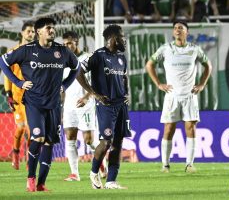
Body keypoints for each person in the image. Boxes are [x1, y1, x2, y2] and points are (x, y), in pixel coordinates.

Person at [0, 17, 80, 192]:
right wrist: (18, 83)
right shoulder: (27, 50)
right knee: (38, 137)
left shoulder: (62, 51)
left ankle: (41, 184)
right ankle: (30, 179)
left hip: (54, 104)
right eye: (48, 28)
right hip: (34, 103)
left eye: (53, 28)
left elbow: (77, 67)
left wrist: (64, 85)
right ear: (39, 32)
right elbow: (3, 62)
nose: (52, 30)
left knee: (50, 143)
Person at [145, 21, 212, 172]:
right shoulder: (165, 49)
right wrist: (158, 84)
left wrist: (202, 84)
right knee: (168, 129)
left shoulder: (194, 49)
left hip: (189, 95)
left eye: (180, 28)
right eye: (175, 28)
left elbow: (208, 65)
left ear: (187, 32)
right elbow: (149, 64)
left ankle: (189, 164)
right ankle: (165, 165)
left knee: (191, 128)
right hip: (172, 95)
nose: (177, 30)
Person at [77, 24, 131, 189]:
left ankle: (111, 181)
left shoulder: (122, 57)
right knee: (106, 142)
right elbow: (79, 72)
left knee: (118, 143)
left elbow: (123, 77)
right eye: (122, 36)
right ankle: (94, 172)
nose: (124, 40)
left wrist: (126, 93)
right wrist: (93, 93)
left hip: (121, 104)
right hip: (105, 105)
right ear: (113, 38)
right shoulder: (98, 55)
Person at [61, 31, 100, 181]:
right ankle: (74, 173)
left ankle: (101, 162)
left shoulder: (88, 58)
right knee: (70, 138)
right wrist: (62, 107)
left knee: (89, 140)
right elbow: (64, 86)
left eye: (69, 43)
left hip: (86, 104)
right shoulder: (63, 61)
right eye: (64, 44)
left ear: (76, 42)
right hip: (69, 105)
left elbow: (97, 82)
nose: (67, 46)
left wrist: (87, 96)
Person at [4, 21, 35, 170]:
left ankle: (30, 158)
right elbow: (6, 73)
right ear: (22, 33)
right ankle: (16, 153)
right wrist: (8, 93)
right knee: (21, 128)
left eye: (33, 32)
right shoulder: (13, 51)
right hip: (17, 96)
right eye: (28, 31)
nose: (31, 34)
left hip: (32, 96)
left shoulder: (36, 52)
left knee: (31, 129)